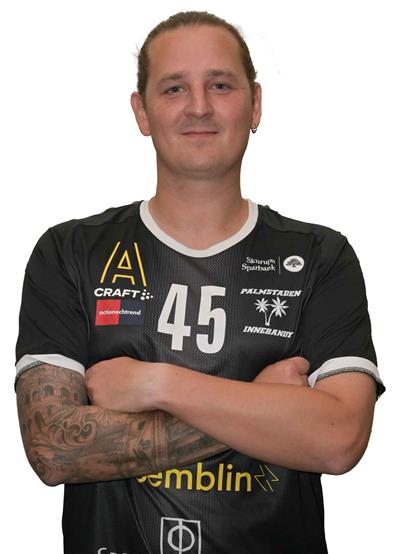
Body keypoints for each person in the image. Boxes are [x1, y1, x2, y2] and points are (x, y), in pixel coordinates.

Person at [15, 10, 385, 554]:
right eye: (173, 88)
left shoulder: (319, 257)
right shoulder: (70, 252)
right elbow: (54, 449)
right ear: (141, 112)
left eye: (220, 85)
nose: (198, 106)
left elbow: (339, 440)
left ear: (255, 104)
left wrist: (158, 385)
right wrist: (265, 408)